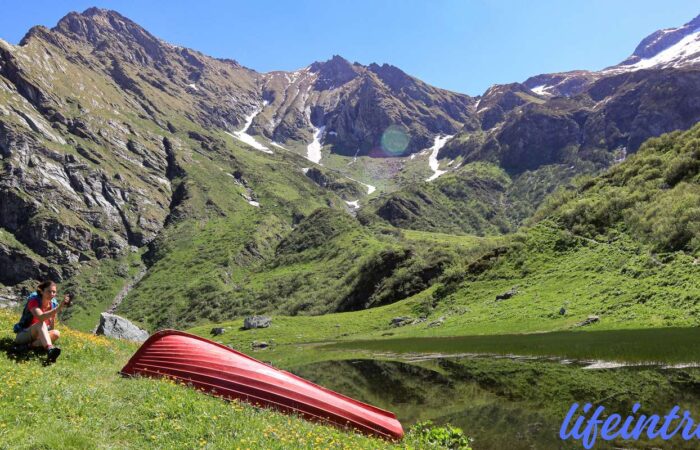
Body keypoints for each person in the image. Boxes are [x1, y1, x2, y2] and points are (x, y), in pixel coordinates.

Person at [13, 280, 72, 362]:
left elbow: (51, 327)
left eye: (54, 292)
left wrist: (48, 334)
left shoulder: (53, 305)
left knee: (56, 333)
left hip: (38, 336)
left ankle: (27, 347)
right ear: (42, 291)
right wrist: (58, 309)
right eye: (49, 291)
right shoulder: (34, 301)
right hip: (24, 334)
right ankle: (49, 349)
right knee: (41, 323)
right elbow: (41, 317)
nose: (52, 294)